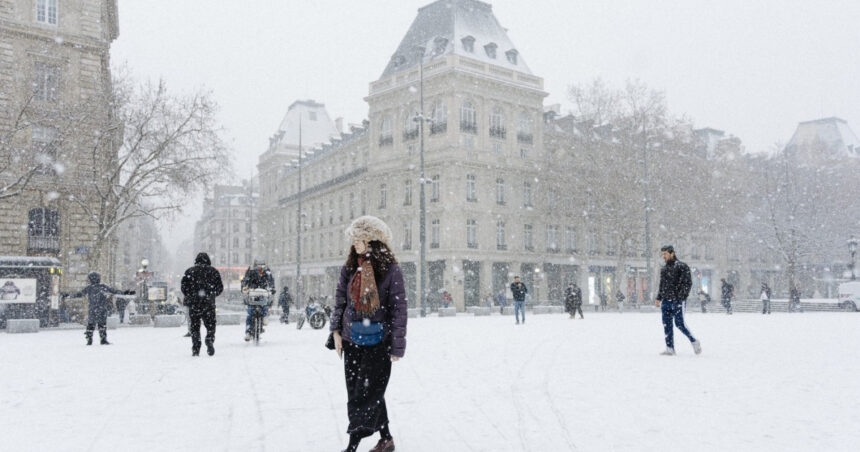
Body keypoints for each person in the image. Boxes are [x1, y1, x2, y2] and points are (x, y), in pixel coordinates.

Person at [330, 216, 407, 452]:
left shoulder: (390, 270)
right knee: (363, 391)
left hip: (378, 343)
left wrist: (396, 346)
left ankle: (353, 444)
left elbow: (398, 309)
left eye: (359, 238)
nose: (354, 243)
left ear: (372, 241)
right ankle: (386, 439)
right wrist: (335, 331)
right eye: (353, 239)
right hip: (352, 340)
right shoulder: (350, 267)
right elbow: (340, 300)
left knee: (366, 393)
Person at [63, 272, 134, 346]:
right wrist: (126, 292)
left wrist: (68, 295)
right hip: (102, 309)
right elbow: (114, 291)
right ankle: (103, 339)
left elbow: (79, 294)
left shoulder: (89, 288)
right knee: (102, 325)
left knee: (91, 325)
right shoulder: (103, 286)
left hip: (92, 310)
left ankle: (89, 339)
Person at [655, 245, 701, 356]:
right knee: (667, 324)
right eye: (662, 254)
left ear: (672, 253)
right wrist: (659, 298)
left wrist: (681, 297)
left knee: (679, 323)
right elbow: (662, 285)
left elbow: (687, 283)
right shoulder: (664, 269)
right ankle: (670, 348)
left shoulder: (682, 266)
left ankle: (694, 341)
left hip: (678, 301)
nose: (664, 257)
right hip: (666, 300)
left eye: (665, 254)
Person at [181, 252, 223, 356]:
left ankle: (196, 348)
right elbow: (220, 287)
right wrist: (212, 295)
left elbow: (184, 287)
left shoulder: (189, 271)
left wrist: (191, 295)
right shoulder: (213, 271)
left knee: (195, 327)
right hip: (208, 304)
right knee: (211, 325)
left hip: (194, 304)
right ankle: (209, 338)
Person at [241, 257, 275, 341]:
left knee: (265, 306)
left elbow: (271, 282)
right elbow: (245, 280)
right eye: (258, 265)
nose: (260, 267)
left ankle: (265, 317)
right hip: (252, 293)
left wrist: (272, 288)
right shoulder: (250, 271)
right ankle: (248, 332)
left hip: (263, 293)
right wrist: (244, 287)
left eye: (262, 265)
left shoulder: (267, 272)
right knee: (250, 312)